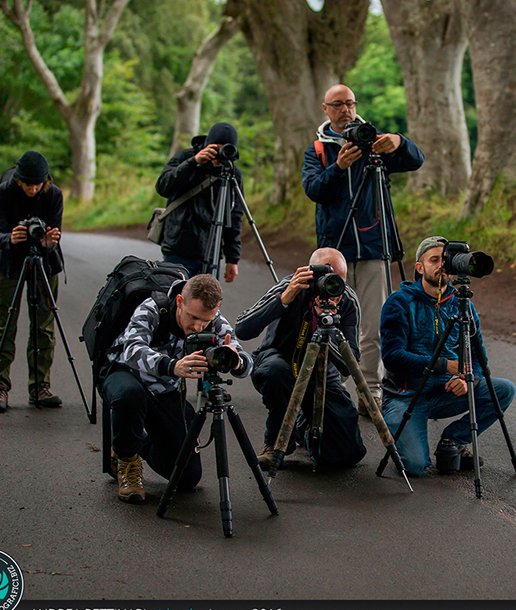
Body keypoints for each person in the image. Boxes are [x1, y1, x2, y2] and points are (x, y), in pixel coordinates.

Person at [302, 84, 424, 416]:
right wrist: (338, 167)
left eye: (351, 103)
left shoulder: (375, 142)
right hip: (334, 252)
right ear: (325, 109)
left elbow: (415, 160)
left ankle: (370, 391)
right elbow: (313, 189)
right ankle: (335, 393)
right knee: (334, 322)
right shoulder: (317, 149)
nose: (346, 110)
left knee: (374, 324)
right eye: (338, 105)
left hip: (373, 247)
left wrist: (399, 140)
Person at [101, 274, 252, 503]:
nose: (198, 326)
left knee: (188, 478)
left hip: (164, 391)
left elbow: (245, 361)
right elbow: (131, 349)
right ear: (180, 301)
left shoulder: (214, 320)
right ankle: (126, 459)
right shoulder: (153, 308)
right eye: (192, 317)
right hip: (126, 375)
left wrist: (236, 360)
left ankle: (136, 440)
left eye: (205, 320)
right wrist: (172, 366)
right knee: (130, 396)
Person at [379, 236, 516, 476]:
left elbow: (477, 358)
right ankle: (403, 440)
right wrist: (445, 366)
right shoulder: (399, 303)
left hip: (445, 393)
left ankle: (452, 441)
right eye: (434, 260)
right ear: (420, 267)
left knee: (503, 389)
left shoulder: (463, 305)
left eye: (446, 260)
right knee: (414, 467)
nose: (441, 265)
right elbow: (392, 357)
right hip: (405, 396)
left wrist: (466, 378)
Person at [234, 248, 367, 471]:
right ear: (308, 273)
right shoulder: (291, 285)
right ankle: (276, 442)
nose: (331, 286)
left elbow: (349, 365)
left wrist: (330, 326)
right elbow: (243, 329)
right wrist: (284, 298)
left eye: (339, 280)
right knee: (276, 371)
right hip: (280, 360)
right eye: (325, 277)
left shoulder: (347, 299)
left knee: (346, 454)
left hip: (321, 372)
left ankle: (302, 425)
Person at [0, 150, 64, 413]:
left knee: (43, 327)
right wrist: (9, 238)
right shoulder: (3, 193)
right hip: (9, 264)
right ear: (18, 180)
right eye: (28, 184)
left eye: (37, 184)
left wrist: (48, 242)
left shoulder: (53, 194)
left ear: (46, 180)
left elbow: (55, 234)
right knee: (5, 325)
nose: (32, 190)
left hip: (44, 264)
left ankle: (40, 386)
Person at [155, 122, 244, 281]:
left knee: (205, 304)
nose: (219, 154)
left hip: (211, 254)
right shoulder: (186, 158)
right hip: (178, 247)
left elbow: (234, 217)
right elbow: (163, 187)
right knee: (173, 299)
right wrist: (194, 163)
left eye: (225, 149)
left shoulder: (232, 173)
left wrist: (232, 259)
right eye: (216, 148)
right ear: (207, 144)